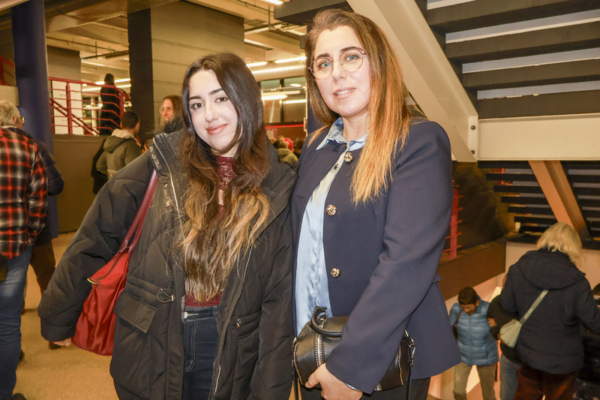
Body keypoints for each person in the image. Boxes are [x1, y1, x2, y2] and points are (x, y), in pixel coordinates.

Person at [39, 52, 295, 400]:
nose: (209, 115)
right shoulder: (163, 162)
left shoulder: (278, 182)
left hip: (230, 344)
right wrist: (58, 312)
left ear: (248, 100)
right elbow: (97, 235)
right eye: (196, 104)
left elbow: (279, 301)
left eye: (221, 98)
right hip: (152, 335)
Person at [292, 9, 460, 400]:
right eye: (323, 63)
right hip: (311, 352)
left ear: (378, 63)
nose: (337, 73)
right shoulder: (316, 147)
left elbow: (406, 264)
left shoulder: (417, 141)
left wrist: (349, 368)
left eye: (351, 57)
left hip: (377, 362)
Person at [501, 222, 600, 400]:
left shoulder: (518, 268)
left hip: (529, 354)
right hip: (563, 361)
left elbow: (507, 305)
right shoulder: (578, 283)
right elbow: (595, 322)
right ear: (574, 246)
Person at [0, 103, 64, 352]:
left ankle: (12, 350)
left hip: (7, 236)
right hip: (35, 231)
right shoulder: (35, 147)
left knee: (9, 292)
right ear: (17, 121)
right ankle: (54, 333)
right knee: (48, 281)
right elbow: (56, 185)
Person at [0, 107, 48, 400]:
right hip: (14, 246)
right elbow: (38, 200)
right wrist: (29, 237)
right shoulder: (28, 147)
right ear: (15, 120)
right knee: (7, 325)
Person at [449, 287, 498, 400]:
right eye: (463, 307)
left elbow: (499, 328)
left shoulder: (488, 308)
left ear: (477, 302)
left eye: (468, 307)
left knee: (488, 394)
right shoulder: (456, 309)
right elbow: (449, 327)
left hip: (486, 357)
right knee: (458, 391)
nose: (466, 310)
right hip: (463, 355)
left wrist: (496, 325)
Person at [487, 278, 520, 400]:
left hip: (527, 361)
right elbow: (490, 323)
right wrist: (498, 334)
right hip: (507, 357)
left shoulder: (527, 304)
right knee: (506, 396)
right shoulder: (496, 303)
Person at [96, 111, 142, 179]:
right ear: (137, 126)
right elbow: (135, 172)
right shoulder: (131, 145)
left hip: (113, 184)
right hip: (126, 185)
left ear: (121, 124)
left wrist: (114, 175)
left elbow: (100, 166)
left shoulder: (110, 143)